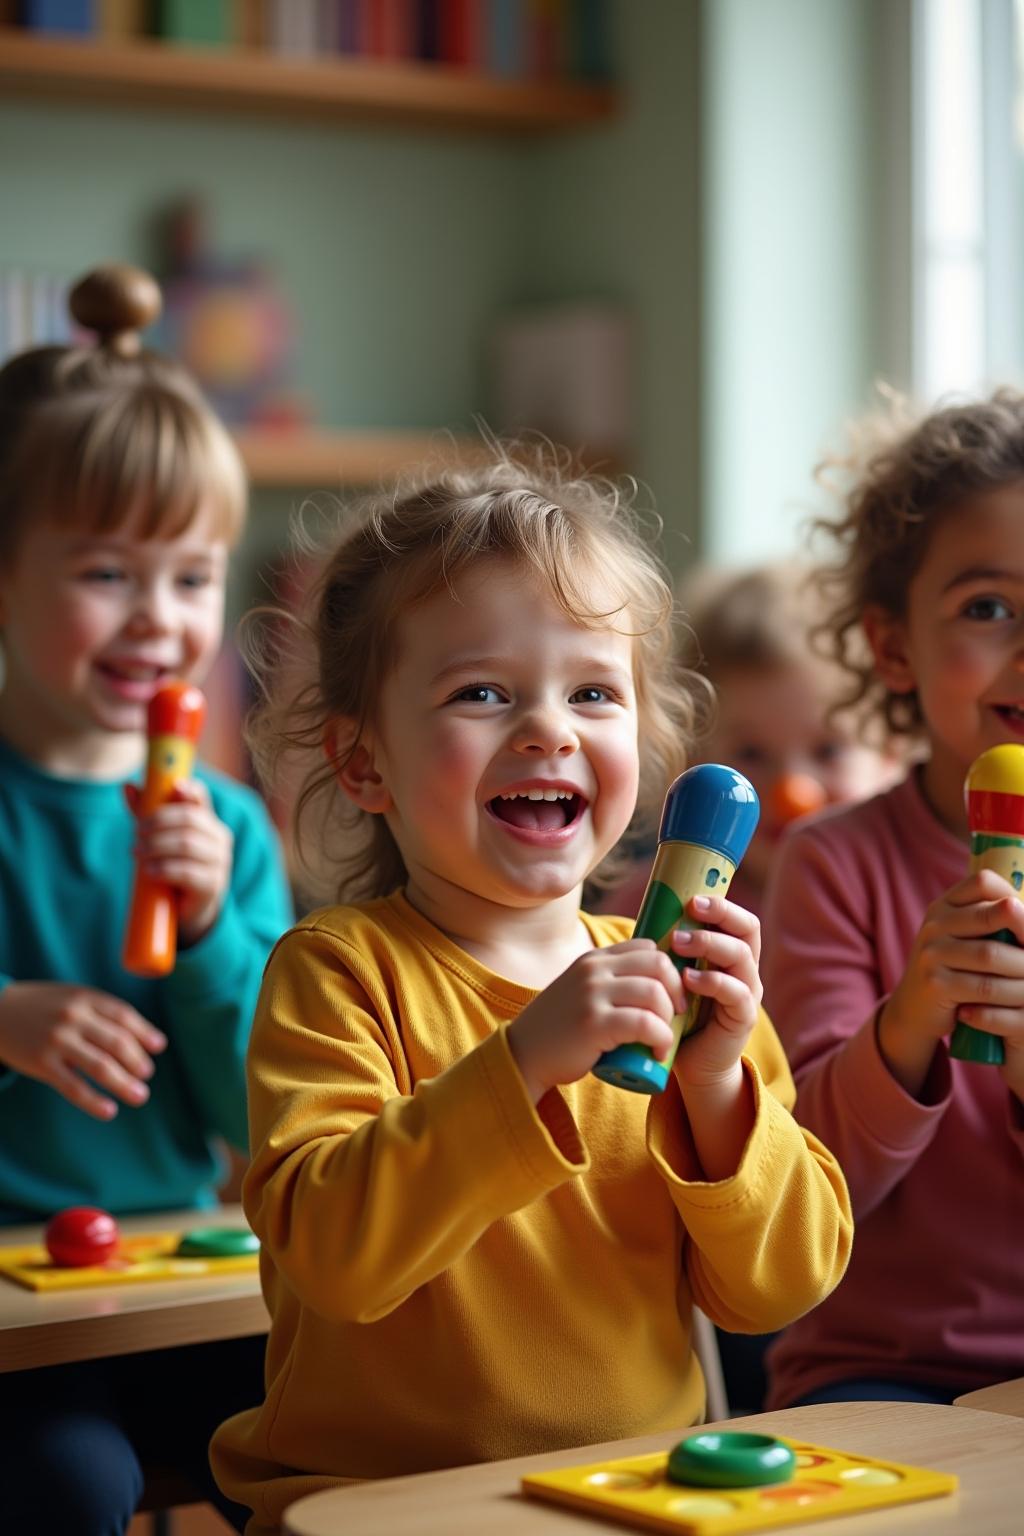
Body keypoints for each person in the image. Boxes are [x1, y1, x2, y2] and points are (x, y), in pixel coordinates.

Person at [210, 446, 852, 1534]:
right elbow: (334, 1261)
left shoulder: (693, 998)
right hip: (379, 1507)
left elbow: (780, 1287)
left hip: (638, 1499)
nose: (549, 727)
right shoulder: (334, 974)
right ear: (364, 765)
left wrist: (719, 1089)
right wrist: (524, 1064)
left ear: (640, 748)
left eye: (592, 691)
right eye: (482, 692)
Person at [0, 265, 294, 1533]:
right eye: (107, 575)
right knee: (72, 1484)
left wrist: (219, 931)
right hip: (17, 1325)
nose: (159, 621)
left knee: (334, 1434)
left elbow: (268, 1113)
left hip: (179, 1278)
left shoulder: (226, 824)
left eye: (190, 578)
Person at [762, 391, 1024, 1410]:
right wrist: (913, 1016)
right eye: (987, 607)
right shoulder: (834, 865)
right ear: (894, 646)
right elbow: (805, 1180)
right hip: (881, 1374)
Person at [600, 562, 900, 924]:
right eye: (752, 753)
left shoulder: (907, 899)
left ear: (891, 754)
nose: (792, 790)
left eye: (828, 751)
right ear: (690, 759)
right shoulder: (650, 904)